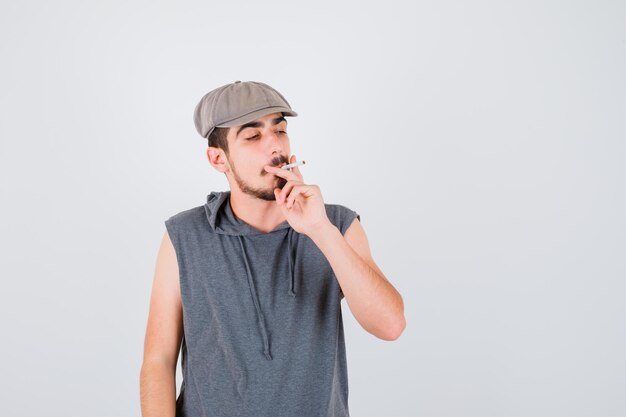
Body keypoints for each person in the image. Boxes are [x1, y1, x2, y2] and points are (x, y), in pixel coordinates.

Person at [140, 80, 405, 417]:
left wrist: (319, 230)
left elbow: (390, 325)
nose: (274, 147)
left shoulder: (336, 224)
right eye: (253, 136)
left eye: (279, 130)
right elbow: (158, 360)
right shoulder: (184, 235)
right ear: (218, 159)